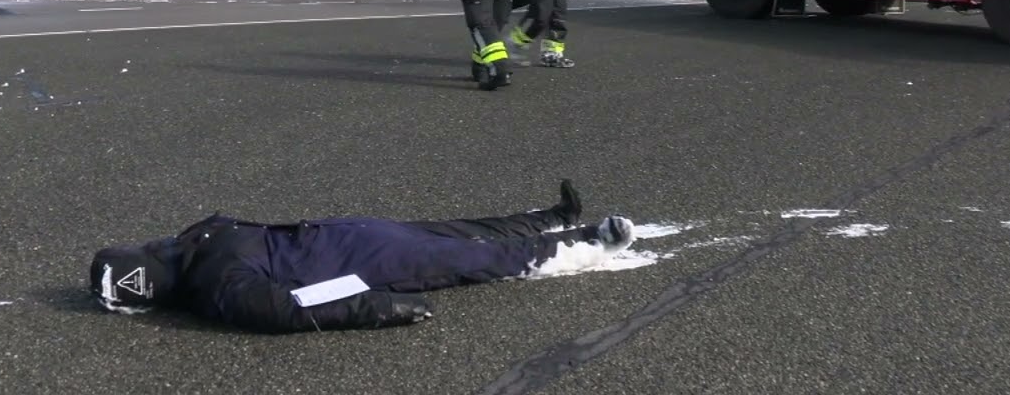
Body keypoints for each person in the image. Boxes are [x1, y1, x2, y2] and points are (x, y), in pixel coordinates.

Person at [88, 179, 636, 334]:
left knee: (463, 231)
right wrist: (376, 306)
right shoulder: (217, 285)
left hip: (344, 234)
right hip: (363, 261)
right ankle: (592, 241)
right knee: (479, 256)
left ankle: (551, 217)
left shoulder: (190, 249)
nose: (155, 244)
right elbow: (293, 306)